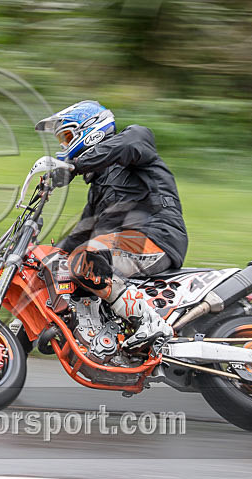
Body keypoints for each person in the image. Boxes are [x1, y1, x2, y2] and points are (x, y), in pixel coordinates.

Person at [35, 100, 188, 346]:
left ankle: (150, 323)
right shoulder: (98, 188)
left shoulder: (137, 139)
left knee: (85, 258)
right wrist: (45, 257)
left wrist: (75, 166)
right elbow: (82, 232)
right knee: (66, 261)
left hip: (157, 238)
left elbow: (127, 145)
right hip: (121, 247)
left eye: (67, 137)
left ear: (90, 130)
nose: (64, 146)